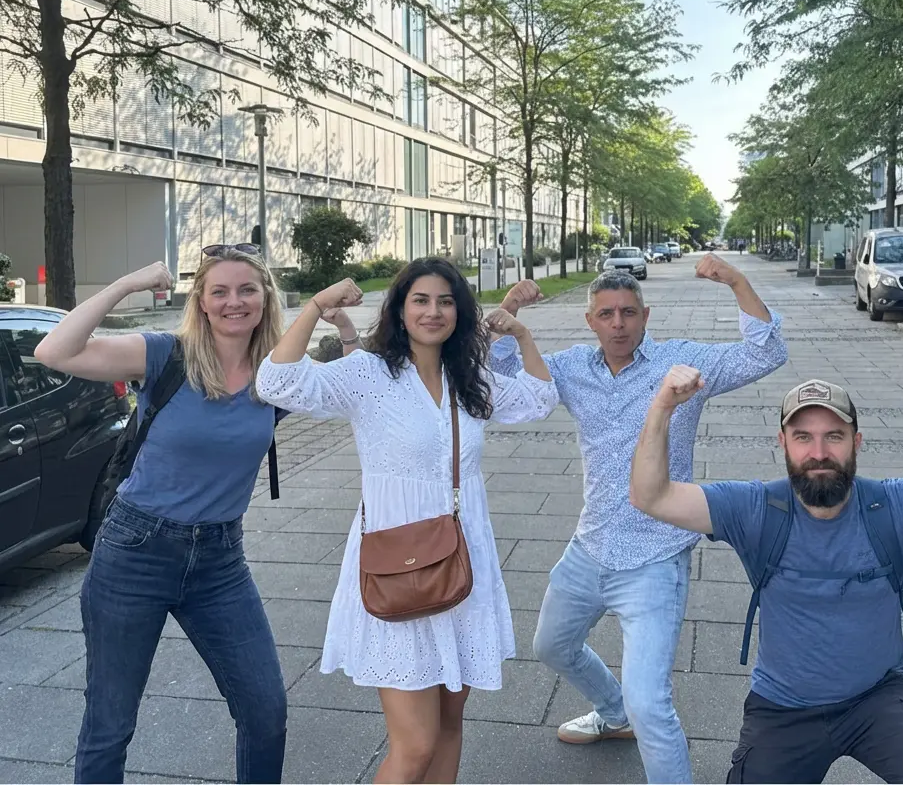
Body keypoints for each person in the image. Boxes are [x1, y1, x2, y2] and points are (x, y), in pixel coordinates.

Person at [630, 361, 903, 784]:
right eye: (803, 437)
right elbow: (650, 495)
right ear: (783, 443)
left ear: (856, 442)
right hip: (782, 708)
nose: (819, 453)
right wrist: (662, 408)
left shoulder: (898, 506)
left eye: (833, 436)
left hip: (879, 697)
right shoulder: (754, 509)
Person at [254, 257, 559, 785]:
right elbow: (278, 382)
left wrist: (523, 334)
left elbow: (539, 399)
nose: (434, 311)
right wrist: (315, 306)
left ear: (459, 312)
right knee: (414, 746)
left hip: (462, 565)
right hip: (399, 568)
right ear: (399, 309)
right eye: (420, 300)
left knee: (449, 726)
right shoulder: (369, 374)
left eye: (445, 301)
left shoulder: (468, 377)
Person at [489, 254, 787, 784]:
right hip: (592, 543)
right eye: (607, 314)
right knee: (551, 646)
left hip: (655, 553)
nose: (618, 324)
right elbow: (503, 372)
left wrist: (737, 281)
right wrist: (510, 309)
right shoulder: (571, 368)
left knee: (651, 702)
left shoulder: (682, 365)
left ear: (645, 317)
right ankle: (612, 711)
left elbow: (765, 353)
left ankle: (634, 719)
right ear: (591, 321)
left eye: (628, 312)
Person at [33, 246, 294, 784]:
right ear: (199, 302)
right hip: (135, 553)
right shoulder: (163, 354)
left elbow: (365, 389)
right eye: (218, 291)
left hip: (221, 562)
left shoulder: (280, 375)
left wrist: (342, 322)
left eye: (247, 289)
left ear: (266, 298)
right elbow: (54, 350)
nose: (234, 302)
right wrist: (128, 282)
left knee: (266, 710)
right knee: (110, 724)